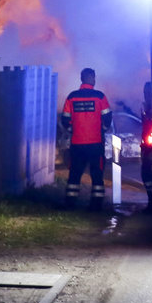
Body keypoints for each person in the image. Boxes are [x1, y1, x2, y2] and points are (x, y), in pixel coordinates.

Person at [61, 68, 113, 211]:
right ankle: (96, 206)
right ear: (93, 79)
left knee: (75, 174)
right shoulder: (100, 96)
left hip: (77, 143)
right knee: (97, 175)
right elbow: (108, 118)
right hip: (96, 143)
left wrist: (73, 130)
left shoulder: (72, 97)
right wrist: (101, 130)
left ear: (81, 78)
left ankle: (70, 204)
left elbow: (65, 119)